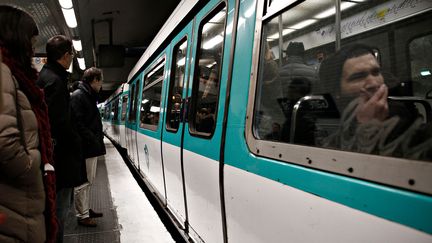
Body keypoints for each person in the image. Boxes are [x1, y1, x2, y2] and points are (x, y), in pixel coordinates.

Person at [0, 5, 57, 242]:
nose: (33, 48)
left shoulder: (14, 74)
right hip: (15, 202)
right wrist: (36, 165)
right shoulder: (3, 72)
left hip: (17, 201)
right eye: (31, 41)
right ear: (15, 38)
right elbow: (4, 143)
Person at [319, 43, 432, 160]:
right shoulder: (328, 126)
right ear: (337, 91)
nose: (374, 83)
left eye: (376, 72)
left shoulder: (401, 114)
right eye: (358, 77)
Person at [37, 35, 87, 242]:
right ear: (66, 56)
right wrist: (78, 143)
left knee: (54, 210)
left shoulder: (45, 77)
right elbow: (60, 124)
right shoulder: (56, 82)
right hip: (61, 159)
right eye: (72, 55)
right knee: (60, 211)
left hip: (52, 156)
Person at [71, 67, 106, 227]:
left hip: (90, 146)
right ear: (94, 80)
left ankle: (85, 209)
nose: (101, 85)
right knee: (82, 182)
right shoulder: (80, 96)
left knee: (88, 180)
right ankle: (82, 215)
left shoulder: (87, 95)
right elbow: (77, 123)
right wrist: (92, 138)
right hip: (85, 147)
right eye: (100, 81)